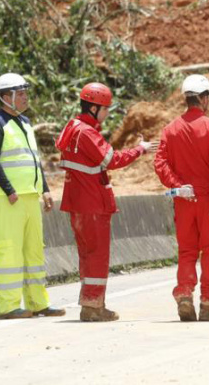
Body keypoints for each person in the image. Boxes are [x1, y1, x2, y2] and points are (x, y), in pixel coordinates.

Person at [56, 83, 158, 322]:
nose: (107, 113)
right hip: (93, 204)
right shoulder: (88, 134)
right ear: (93, 108)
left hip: (76, 204)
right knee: (97, 255)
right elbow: (112, 159)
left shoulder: (72, 128)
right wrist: (139, 150)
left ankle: (90, 302)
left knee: (86, 255)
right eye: (104, 109)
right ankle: (93, 307)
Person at [0, 73, 65, 320]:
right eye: (21, 93)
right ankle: (8, 306)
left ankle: (38, 303)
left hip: (29, 196)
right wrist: (9, 190)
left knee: (34, 251)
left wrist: (45, 189)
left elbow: (33, 161)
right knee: (10, 251)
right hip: (8, 199)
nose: (26, 97)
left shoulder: (25, 123)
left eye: (25, 92)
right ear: (6, 97)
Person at [154, 75, 209, 322]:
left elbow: (160, 163)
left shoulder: (170, 129)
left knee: (187, 251)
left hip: (184, 200)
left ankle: (185, 295)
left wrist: (177, 186)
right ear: (204, 98)